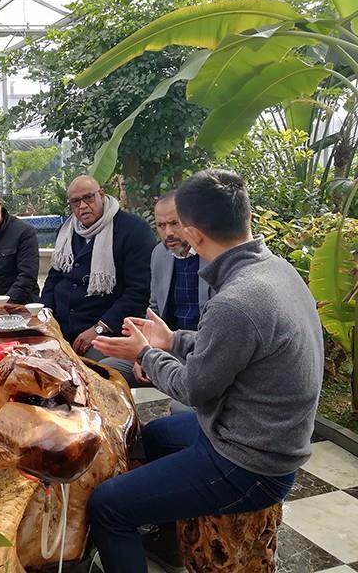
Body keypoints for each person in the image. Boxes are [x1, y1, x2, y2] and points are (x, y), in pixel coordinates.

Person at [88, 169, 324, 573]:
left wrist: (145, 354)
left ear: (194, 235)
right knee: (153, 436)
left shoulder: (237, 299)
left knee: (106, 506)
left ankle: (133, 524)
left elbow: (194, 389)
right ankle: (168, 539)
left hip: (250, 462)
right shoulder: (275, 270)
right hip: (255, 431)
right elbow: (233, 344)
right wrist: (171, 340)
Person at [101, 190, 211, 387]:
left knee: (183, 401)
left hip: (205, 351)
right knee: (103, 373)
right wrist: (142, 354)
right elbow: (154, 309)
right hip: (165, 348)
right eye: (161, 225)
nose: (168, 233)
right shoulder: (160, 254)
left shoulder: (212, 255)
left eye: (175, 223)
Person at [41, 175, 155, 359]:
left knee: (93, 370)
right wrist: (45, 314)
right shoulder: (66, 231)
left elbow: (139, 292)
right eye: (75, 202)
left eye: (88, 198)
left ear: (101, 195)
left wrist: (100, 328)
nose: (83, 206)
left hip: (107, 331)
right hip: (61, 327)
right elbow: (54, 276)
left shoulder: (133, 231)